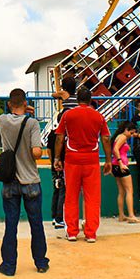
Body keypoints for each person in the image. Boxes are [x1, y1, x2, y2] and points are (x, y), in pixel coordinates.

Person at [0, 88, 49, 276]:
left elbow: (9, 112)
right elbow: (36, 152)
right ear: (26, 103)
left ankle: (9, 266)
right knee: (36, 224)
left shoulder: (2, 121)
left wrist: (20, 109)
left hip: (10, 182)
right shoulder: (33, 123)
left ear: (10, 103)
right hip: (30, 181)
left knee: (11, 224)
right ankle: (41, 262)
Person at [53, 87, 111, 242]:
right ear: (90, 99)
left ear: (77, 98)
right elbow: (105, 139)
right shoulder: (98, 116)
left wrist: (57, 158)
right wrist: (108, 160)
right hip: (91, 160)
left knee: (71, 196)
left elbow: (59, 137)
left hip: (72, 160)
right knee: (92, 198)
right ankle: (91, 233)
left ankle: (72, 232)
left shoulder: (68, 115)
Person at [47, 76, 78, 230]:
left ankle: (55, 217)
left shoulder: (64, 96)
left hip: (55, 163)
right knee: (64, 191)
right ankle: (60, 217)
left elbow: (55, 95)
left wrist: (53, 160)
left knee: (57, 189)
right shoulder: (77, 98)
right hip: (66, 159)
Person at [110, 121, 140, 223]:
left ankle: (121, 215)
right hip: (121, 165)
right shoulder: (122, 137)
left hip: (115, 166)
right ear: (126, 130)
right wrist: (121, 163)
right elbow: (115, 149)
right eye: (131, 133)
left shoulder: (118, 136)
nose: (131, 135)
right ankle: (131, 215)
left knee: (121, 191)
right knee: (129, 191)